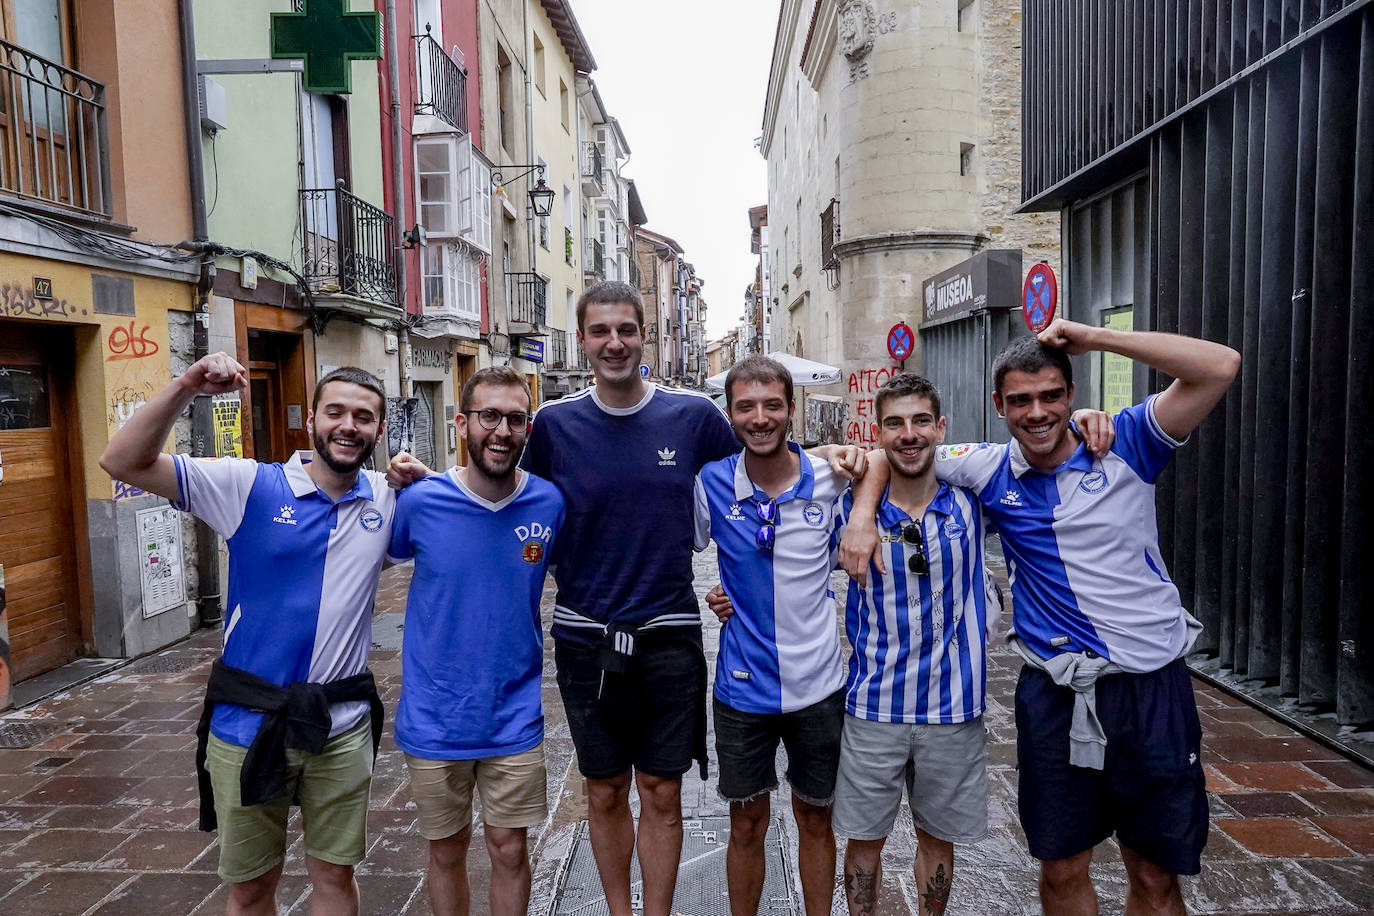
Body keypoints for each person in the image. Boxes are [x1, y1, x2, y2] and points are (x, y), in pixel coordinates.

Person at [843, 319, 1240, 915]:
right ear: (999, 406)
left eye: (1052, 396)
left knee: (1156, 874)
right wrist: (863, 514)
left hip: (1149, 686)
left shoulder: (1128, 440)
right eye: (1021, 400)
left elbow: (1221, 365)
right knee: (1060, 868)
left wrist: (1096, 340)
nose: (1037, 413)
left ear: (1072, 396)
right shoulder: (986, 467)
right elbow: (890, 450)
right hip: (1054, 691)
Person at [99, 355, 395, 916]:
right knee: (252, 886)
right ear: (311, 422)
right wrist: (186, 385)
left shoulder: (384, 497)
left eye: (364, 416)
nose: (349, 426)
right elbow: (121, 461)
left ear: (379, 430)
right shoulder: (248, 484)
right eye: (335, 412)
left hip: (342, 726)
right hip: (248, 724)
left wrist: (419, 476)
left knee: (335, 876)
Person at [386, 366, 565, 916]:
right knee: (446, 850)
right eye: (489, 416)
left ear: (527, 428)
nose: (501, 430)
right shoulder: (421, 501)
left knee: (510, 849)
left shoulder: (549, 504)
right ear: (463, 423)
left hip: (512, 713)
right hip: (435, 715)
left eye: (515, 418)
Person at [831, 373, 996, 916]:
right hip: (874, 704)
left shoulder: (974, 503)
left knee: (937, 838)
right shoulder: (849, 511)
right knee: (863, 839)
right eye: (895, 423)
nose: (909, 434)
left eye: (921, 420)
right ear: (877, 433)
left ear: (940, 428)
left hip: (953, 706)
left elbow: (1039, 453)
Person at [692, 356, 847, 916]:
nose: (760, 418)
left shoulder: (833, 478)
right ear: (730, 414)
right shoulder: (711, 482)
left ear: (791, 409)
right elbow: (668, 546)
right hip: (742, 691)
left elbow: (891, 468)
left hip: (819, 687)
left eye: (772, 405)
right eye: (746, 407)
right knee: (747, 822)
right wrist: (711, 595)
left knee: (816, 817)